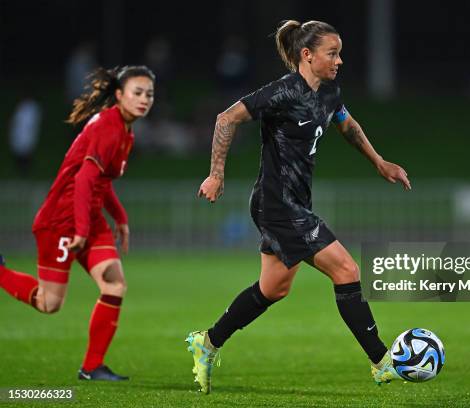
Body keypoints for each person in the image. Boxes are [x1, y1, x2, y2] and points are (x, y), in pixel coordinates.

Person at [186, 20, 411, 394]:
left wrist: (379, 162)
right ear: (307, 55)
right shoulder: (283, 92)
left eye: (340, 53)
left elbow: (347, 123)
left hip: (294, 203)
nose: (339, 61)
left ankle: (207, 341)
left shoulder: (328, 92)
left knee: (274, 288)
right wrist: (216, 174)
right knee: (347, 269)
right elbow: (226, 118)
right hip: (277, 204)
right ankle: (381, 361)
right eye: (332, 53)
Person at [0, 65, 155, 380]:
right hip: (61, 220)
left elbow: (100, 181)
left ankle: (92, 366)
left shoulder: (125, 131)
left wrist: (120, 217)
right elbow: (85, 178)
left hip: (88, 217)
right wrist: (81, 231)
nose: (144, 99)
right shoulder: (109, 127)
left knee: (114, 284)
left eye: (149, 94)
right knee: (48, 303)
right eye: (137, 93)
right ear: (119, 95)